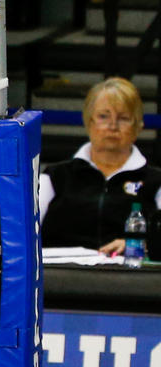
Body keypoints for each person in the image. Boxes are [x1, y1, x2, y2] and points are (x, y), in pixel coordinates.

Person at [39, 77, 161, 252]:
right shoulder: (52, 178)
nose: (113, 126)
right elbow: (24, 233)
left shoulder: (156, 183)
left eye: (123, 118)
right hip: (59, 274)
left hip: (128, 273)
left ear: (138, 127)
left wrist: (140, 246)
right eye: (104, 117)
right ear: (88, 122)